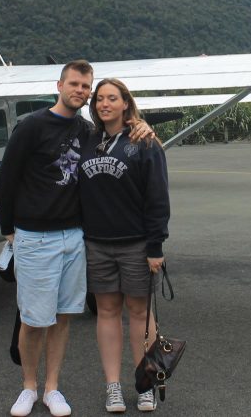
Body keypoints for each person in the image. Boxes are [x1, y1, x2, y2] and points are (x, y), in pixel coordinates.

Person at [0, 61, 152, 417]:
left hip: (75, 236)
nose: (81, 91)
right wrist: (9, 228)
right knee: (33, 318)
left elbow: (119, 131)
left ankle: (52, 388)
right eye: (76, 84)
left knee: (64, 317)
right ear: (60, 85)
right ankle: (28, 387)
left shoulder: (87, 131)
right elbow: (6, 178)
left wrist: (139, 125)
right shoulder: (31, 126)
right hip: (35, 236)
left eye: (87, 86)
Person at [79, 78, 170, 413]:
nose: (105, 104)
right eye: (100, 99)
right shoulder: (86, 140)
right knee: (106, 312)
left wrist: (155, 246)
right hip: (97, 243)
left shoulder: (145, 142)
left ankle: (145, 382)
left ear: (125, 103)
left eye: (112, 98)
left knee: (140, 314)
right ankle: (113, 387)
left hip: (136, 244)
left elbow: (158, 197)